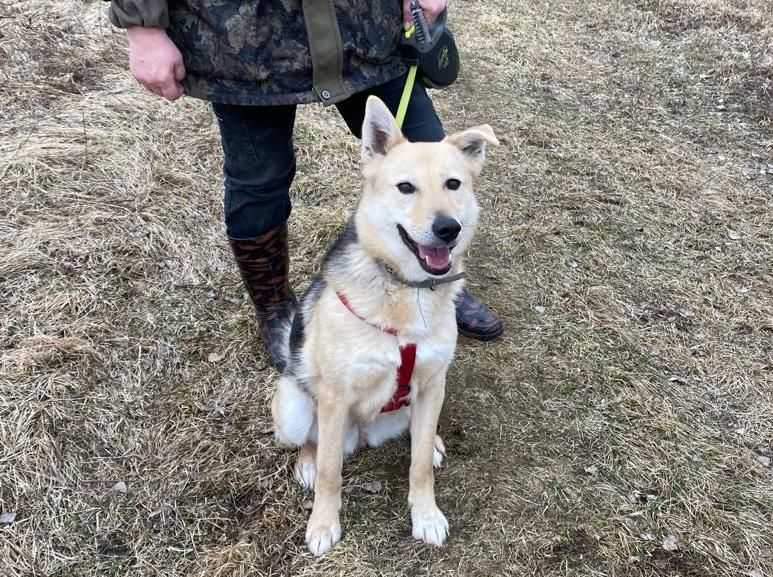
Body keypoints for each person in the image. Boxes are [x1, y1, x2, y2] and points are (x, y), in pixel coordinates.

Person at [105, 0, 503, 371]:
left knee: (431, 152)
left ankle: (434, 278)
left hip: (366, 27)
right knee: (260, 180)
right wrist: (142, 25)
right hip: (244, 43)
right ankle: (274, 307)